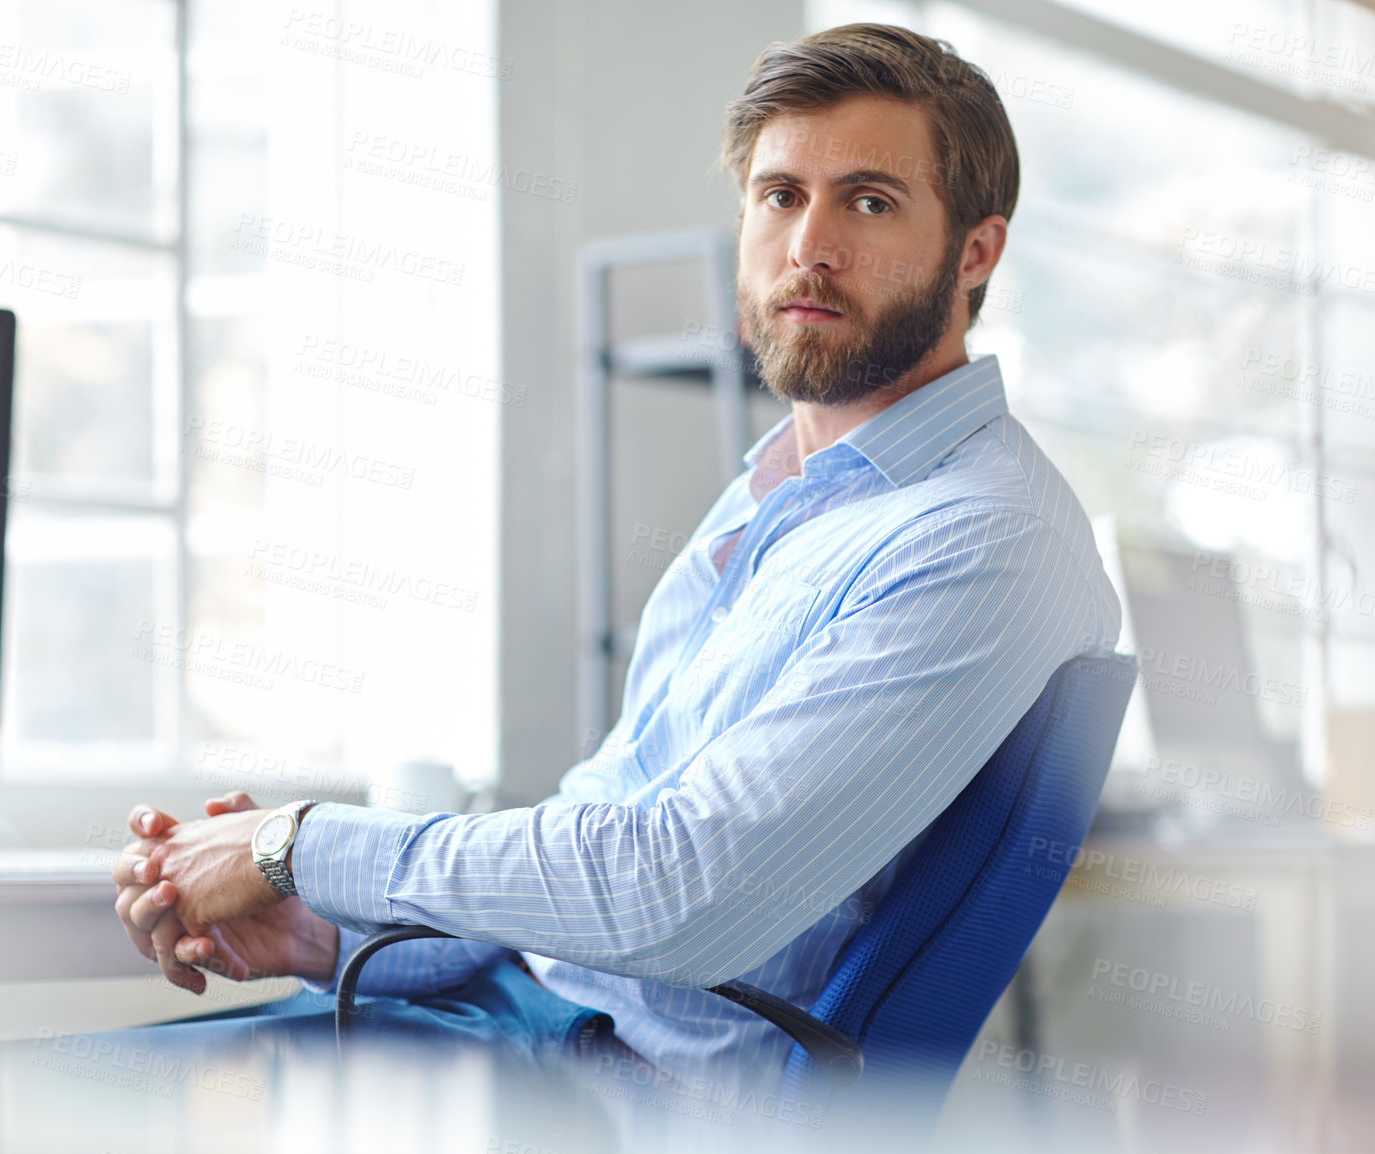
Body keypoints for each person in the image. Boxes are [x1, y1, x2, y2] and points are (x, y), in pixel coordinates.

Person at [110, 20, 1122, 1110]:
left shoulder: (982, 533)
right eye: (780, 196)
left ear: (975, 251)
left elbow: (676, 893)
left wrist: (298, 844)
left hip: (615, 1090)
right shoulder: (780, 493)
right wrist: (325, 927)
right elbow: (607, 834)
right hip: (525, 1020)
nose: (807, 246)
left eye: (868, 202)